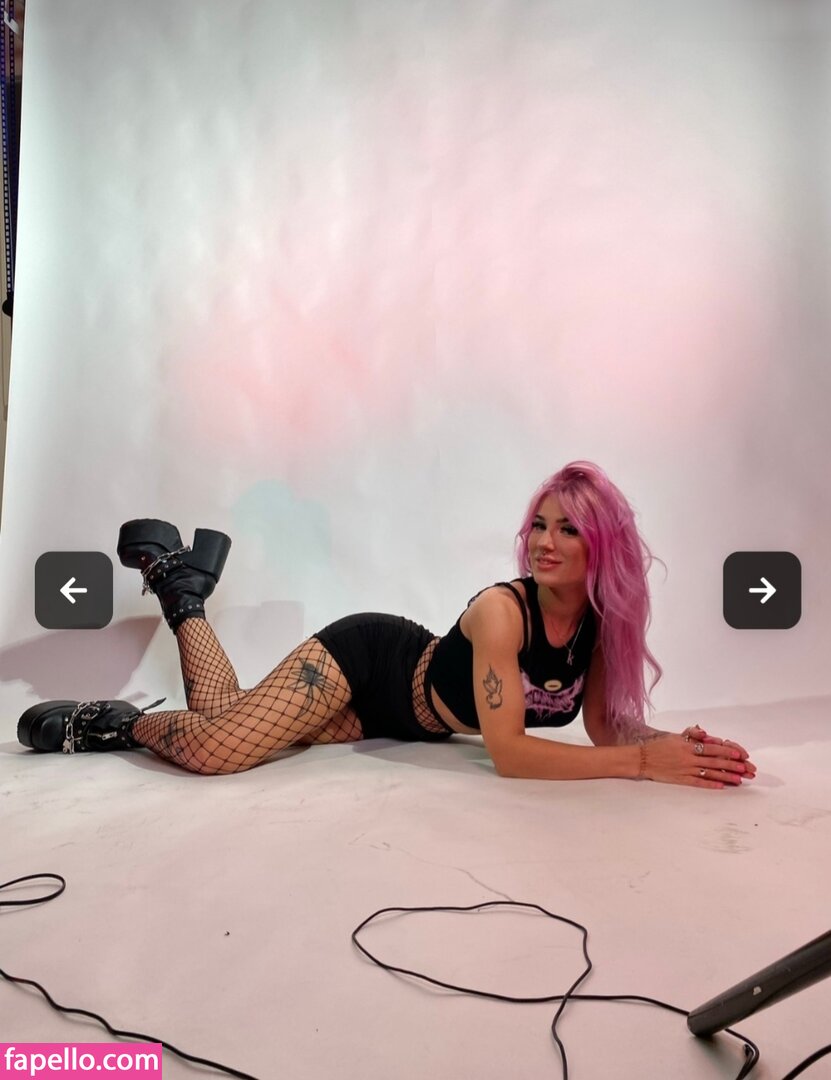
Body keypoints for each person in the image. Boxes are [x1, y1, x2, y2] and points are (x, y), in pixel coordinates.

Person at [18, 461, 756, 788]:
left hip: (397, 724)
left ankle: (183, 587)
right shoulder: (503, 613)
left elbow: (602, 727)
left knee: (225, 719)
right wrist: (641, 767)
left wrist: (672, 748)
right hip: (369, 661)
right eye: (539, 524)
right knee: (217, 752)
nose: (543, 542)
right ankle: (115, 723)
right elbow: (508, 753)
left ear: (602, 545)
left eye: (568, 529)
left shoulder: (597, 625)